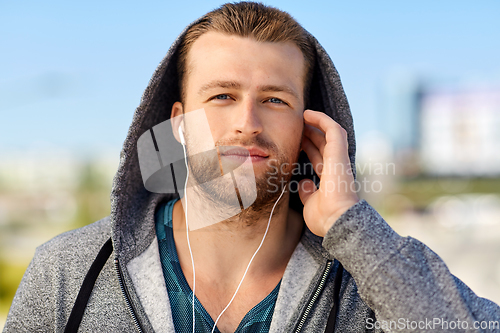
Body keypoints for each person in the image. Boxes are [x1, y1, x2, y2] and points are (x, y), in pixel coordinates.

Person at [4, 2, 500, 332]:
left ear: (311, 127)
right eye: (222, 96)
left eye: (274, 100)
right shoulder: (68, 273)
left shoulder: (368, 279)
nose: (247, 123)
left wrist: (352, 227)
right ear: (179, 124)